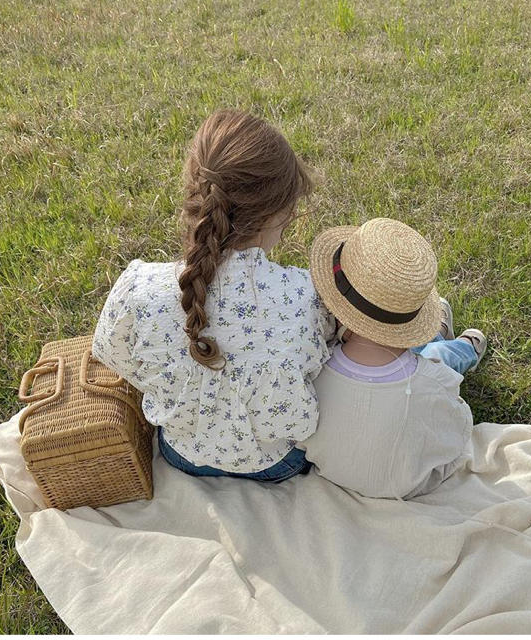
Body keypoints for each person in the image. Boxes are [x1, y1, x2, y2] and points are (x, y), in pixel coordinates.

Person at [92, 109, 336, 482]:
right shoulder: (304, 297)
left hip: (181, 454)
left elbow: (110, 355)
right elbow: (324, 366)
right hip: (275, 463)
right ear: (276, 214)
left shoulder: (137, 291)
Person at [296, 218, 487, 499]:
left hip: (334, 473)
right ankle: (463, 348)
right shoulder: (431, 382)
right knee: (436, 357)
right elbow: (455, 427)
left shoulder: (313, 370)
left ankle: (438, 335)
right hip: (410, 483)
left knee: (421, 361)